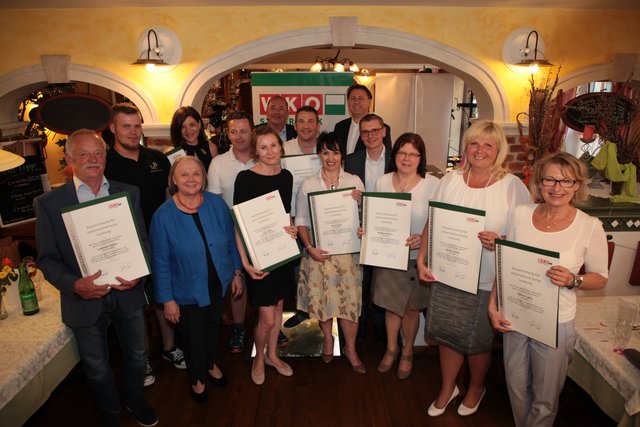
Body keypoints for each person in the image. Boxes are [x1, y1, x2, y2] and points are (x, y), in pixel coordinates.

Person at [34, 129, 157, 427]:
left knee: (138, 355)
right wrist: (75, 284)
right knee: (97, 366)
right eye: (84, 154)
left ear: (106, 156)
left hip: (126, 292)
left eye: (98, 153)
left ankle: (135, 400)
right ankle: (111, 412)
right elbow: (47, 260)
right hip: (83, 299)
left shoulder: (127, 192)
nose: (93, 160)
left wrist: (138, 273)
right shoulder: (49, 203)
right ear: (69, 158)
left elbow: (143, 241)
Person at [416, 120, 530, 417]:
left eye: (488, 145)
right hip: (447, 273)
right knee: (446, 334)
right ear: (466, 146)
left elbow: (525, 234)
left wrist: (500, 241)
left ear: (499, 150)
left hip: (486, 279)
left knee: (478, 341)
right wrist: (421, 258)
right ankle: (448, 387)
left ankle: (476, 387)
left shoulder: (512, 186)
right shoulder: (450, 180)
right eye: (474, 143)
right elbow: (433, 219)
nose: (480, 150)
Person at [488, 152, 608, 427]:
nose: (557, 188)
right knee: (516, 386)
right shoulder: (520, 214)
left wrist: (573, 280)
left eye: (566, 182)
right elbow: (505, 261)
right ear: (539, 183)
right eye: (550, 180)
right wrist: (493, 305)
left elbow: (600, 278)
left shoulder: (589, 226)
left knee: (545, 397)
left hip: (556, 323)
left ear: (577, 186)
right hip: (515, 315)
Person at [105, 102, 185, 386]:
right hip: (126, 246)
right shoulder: (104, 163)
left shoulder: (157, 159)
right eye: (126, 126)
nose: (132, 131)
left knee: (164, 296)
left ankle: (168, 348)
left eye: (137, 125)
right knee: (134, 305)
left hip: (160, 241)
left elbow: (169, 198)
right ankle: (141, 360)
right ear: (113, 128)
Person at [150, 156, 243, 403]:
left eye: (196, 174)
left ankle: (211, 363)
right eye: (184, 175)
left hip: (218, 283)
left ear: (203, 178)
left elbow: (231, 241)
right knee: (192, 337)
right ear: (174, 180)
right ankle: (197, 377)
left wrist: (236, 273)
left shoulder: (217, 204)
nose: (191, 179)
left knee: (212, 330)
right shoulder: (162, 216)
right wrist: (167, 300)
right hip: (185, 290)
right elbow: (159, 262)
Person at [295, 132, 366, 373]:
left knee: (349, 304)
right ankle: (328, 338)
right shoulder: (309, 184)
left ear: (342, 155)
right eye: (326, 152)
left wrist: (360, 204)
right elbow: (301, 220)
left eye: (335, 152)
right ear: (319, 155)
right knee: (324, 302)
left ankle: (351, 349)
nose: (331, 158)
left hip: (348, 255)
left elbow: (366, 221)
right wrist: (309, 247)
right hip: (319, 252)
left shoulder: (355, 182)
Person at [370, 133, 439, 379]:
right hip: (388, 256)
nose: (407, 158)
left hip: (415, 257)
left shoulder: (432, 185)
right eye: (402, 153)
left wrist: (423, 239)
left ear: (421, 158)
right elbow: (374, 214)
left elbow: (437, 222)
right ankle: (391, 349)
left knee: (411, 309)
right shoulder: (382, 182)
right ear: (394, 155)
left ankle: (407, 351)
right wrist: (366, 229)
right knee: (392, 306)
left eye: (413, 154)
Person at [233, 125, 298, 385]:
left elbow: (284, 213)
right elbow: (238, 223)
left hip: (281, 253)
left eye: (273, 146)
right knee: (267, 318)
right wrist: (245, 263)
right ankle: (258, 356)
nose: (269, 151)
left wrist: (291, 228)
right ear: (255, 151)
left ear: (281, 147)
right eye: (263, 147)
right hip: (258, 258)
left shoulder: (287, 176)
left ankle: (273, 354)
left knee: (279, 308)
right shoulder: (245, 178)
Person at [206, 111, 256, 353]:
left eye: (243, 130)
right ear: (228, 133)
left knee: (265, 283)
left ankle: (269, 327)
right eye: (233, 131)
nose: (239, 136)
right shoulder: (218, 164)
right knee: (238, 284)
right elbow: (214, 204)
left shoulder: (265, 157)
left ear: (252, 132)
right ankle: (238, 328)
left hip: (262, 231)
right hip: (231, 233)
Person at [345, 113, 393, 342]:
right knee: (361, 281)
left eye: (375, 130)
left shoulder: (397, 158)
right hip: (360, 229)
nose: (371, 135)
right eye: (365, 132)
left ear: (384, 131)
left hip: (388, 230)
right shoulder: (352, 160)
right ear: (360, 135)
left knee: (384, 281)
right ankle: (361, 330)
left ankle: (383, 333)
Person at [333, 84, 392, 155]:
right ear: (348, 102)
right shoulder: (340, 127)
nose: (356, 102)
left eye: (360, 98)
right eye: (353, 98)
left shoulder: (380, 128)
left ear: (369, 102)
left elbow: (387, 156)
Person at [170, 106, 218, 170]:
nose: (188, 131)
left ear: (199, 124)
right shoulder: (174, 153)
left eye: (192, 125)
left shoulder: (212, 148)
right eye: (182, 127)